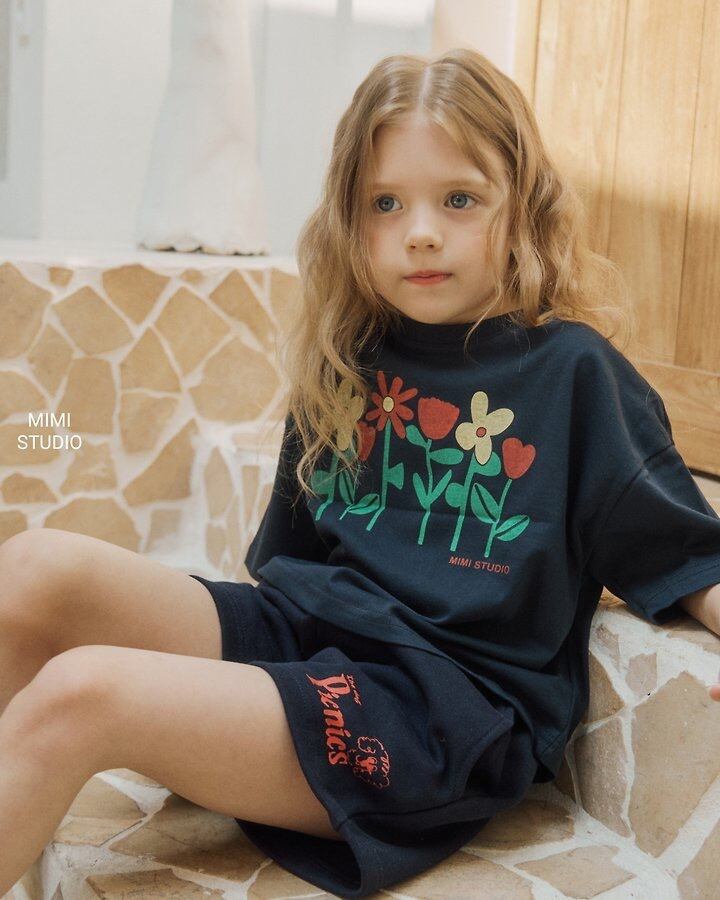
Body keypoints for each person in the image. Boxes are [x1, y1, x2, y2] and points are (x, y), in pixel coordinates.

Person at [0, 47, 719, 899]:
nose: (421, 231)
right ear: (350, 217)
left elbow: (687, 557)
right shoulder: (350, 357)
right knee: (32, 567)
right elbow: (285, 571)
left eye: (459, 199)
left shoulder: (574, 375)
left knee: (83, 692)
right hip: (312, 641)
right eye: (386, 203)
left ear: (522, 207)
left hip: (433, 712)